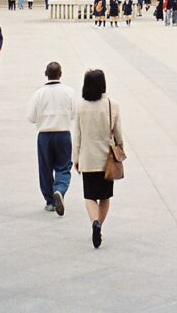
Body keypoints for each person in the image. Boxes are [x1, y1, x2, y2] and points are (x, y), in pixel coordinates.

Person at [73, 69, 124, 249]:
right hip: (106, 160)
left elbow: (77, 135)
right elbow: (118, 134)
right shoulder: (113, 105)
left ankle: (94, 222)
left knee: (89, 196)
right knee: (104, 196)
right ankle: (99, 225)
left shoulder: (80, 107)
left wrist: (75, 157)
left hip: (87, 158)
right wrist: (121, 151)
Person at [27, 61, 76, 214]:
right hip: (63, 132)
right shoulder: (68, 92)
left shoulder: (39, 93)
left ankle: (49, 200)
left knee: (45, 168)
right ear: (60, 74)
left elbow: (31, 117)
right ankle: (60, 189)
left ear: (45, 74)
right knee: (64, 165)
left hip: (44, 134)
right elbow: (74, 113)